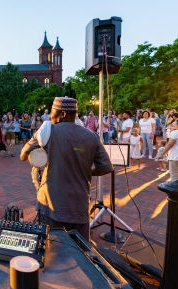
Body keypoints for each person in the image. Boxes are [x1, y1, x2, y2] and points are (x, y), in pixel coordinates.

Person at [20, 97, 113, 241]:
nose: (50, 116)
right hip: (79, 206)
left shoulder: (47, 131)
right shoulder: (92, 136)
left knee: (49, 249)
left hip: (50, 204)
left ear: (62, 114)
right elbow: (106, 167)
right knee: (81, 251)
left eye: (52, 112)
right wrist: (87, 172)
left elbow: (23, 155)